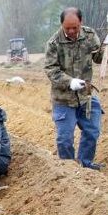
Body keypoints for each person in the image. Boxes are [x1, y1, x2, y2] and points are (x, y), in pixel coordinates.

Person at [45, 7, 107, 170]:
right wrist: (69, 81)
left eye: (75, 27)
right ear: (61, 25)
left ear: (81, 23)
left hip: (86, 95)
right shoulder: (54, 43)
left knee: (92, 132)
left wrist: (106, 46)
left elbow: (99, 58)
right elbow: (51, 69)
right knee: (65, 139)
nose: (71, 31)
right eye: (67, 28)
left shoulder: (89, 35)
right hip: (63, 99)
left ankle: (85, 166)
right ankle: (69, 171)